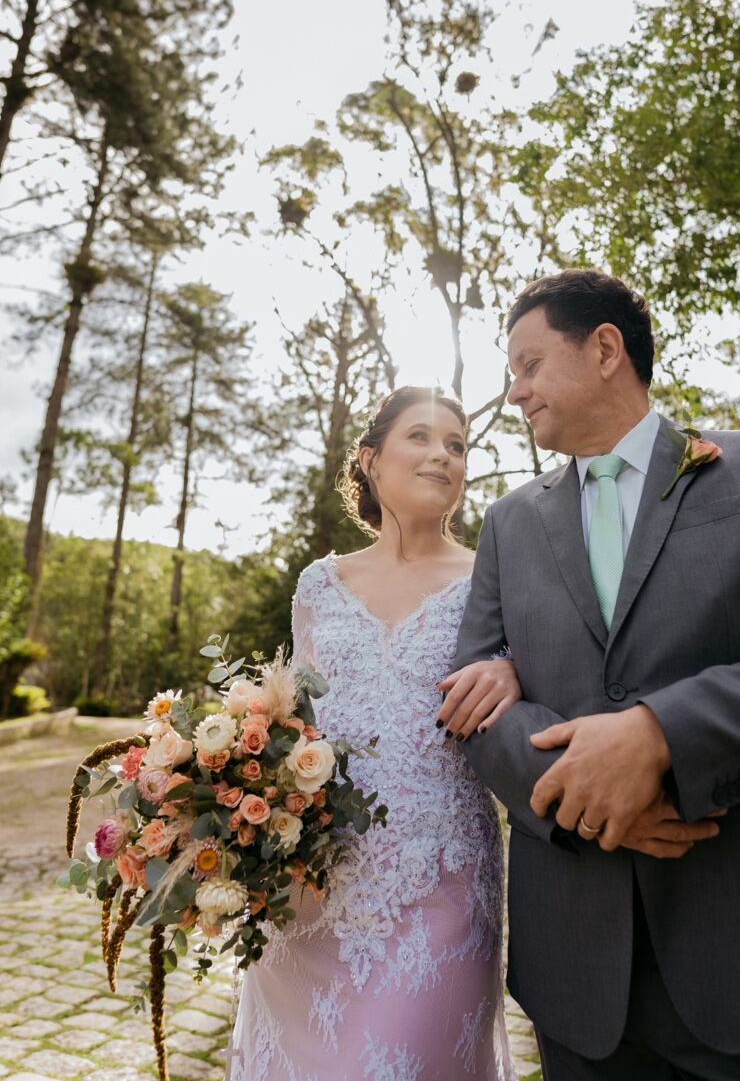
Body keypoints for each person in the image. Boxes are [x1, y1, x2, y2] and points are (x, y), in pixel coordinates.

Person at [445, 269, 740, 1080]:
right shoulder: (508, 523)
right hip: (578, 968)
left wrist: (659, 736)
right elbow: (472, 694)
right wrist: (581, 793)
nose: (515, 393)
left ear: (605, 349)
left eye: (529, 365)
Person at [227, 385, 524, 1080]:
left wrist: (513, 676)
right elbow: (293, 726)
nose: (442, 454)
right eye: (420, 436)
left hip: (441, 882)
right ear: (370, 459)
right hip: (313, 887)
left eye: (456, 445)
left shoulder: (494, 577)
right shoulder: (318, 585)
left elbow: (542, 680)